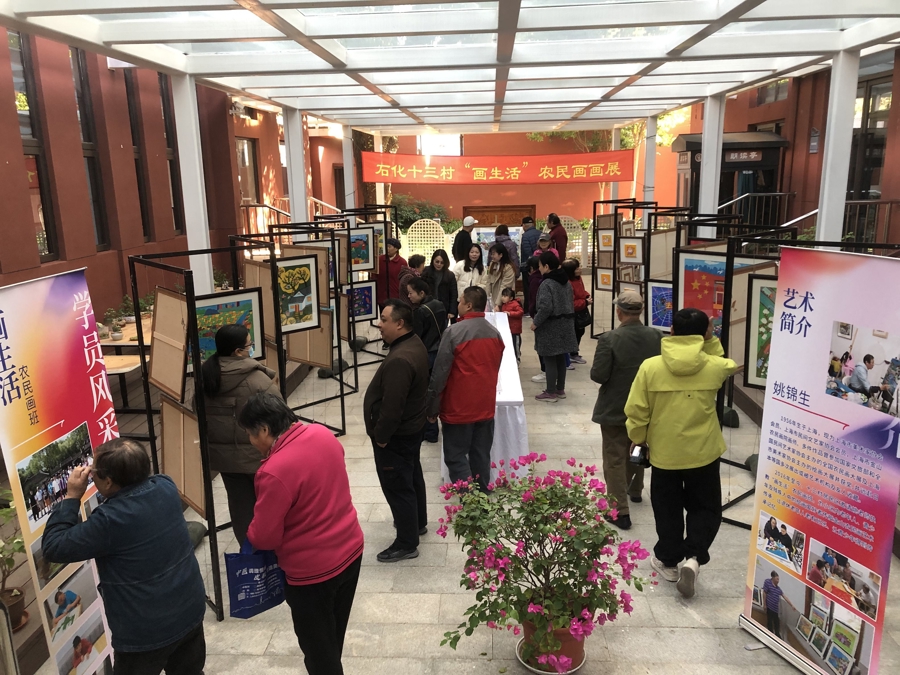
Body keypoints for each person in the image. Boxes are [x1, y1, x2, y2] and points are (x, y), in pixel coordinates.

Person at [42, 438, 206, 674]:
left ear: (108, 481)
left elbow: (54, 546)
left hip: (146, 632)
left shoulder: (110, 520)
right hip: (189, 609)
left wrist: (72, 497)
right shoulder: (166, 486)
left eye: (94, 471)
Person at [242, 393, 363, 675]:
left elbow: (265, 537)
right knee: (333, 637)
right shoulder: (322, 434)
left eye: (250, 433)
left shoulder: (274, 471)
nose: (250, 441)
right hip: (351, 549)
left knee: (319, 652)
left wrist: (251, 528)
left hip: (312, 573)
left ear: (264, 430)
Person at [625, 307, 739, 599]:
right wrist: (709, 340)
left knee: (667, 507)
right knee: (706, 507)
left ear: (671, 331)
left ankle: (668, 561)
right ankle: (694, 557)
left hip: (665, 452)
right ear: (705, 333)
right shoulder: (715, 367)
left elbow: (636, 410)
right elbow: (727, 363)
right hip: (704, 452)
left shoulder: (650, 367)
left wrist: (639, 439)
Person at [199, 324, 281, 545]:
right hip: (258, 457)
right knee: (269, 507)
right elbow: (281, 414)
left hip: (225, 461)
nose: (251, 348)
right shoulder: (257, 380)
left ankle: (249, 552)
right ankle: (272, 552)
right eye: (249, 345)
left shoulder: (206, 376)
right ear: (237, 351)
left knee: (241, 508)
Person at [364, 300, 431, 562]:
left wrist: (381, 437)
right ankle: (417, 523)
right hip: (411, 429)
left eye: (384, 319)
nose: (379, 325)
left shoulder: (400, 359)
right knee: (411, 477)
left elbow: (392, 407)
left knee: (398, 487)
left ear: (400, 323)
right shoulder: (414, 343)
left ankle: (406, 542)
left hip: (397, 436)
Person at [590, 290, 663, 530]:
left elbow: (599, 375)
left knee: (614, 458)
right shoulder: (657, 336)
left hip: (615, 405)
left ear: (618, 311)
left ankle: (619, 511)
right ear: (641, 311)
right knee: (637, 445)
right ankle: (635, 489)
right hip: (646, 405)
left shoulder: (609, 339)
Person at [426, 286, 505, 492]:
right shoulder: (495, 333)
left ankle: (469, 502)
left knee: (456, 456)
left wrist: (432, 408)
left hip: (458, 407)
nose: (458, 304)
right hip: (485, 405)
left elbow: (440, 374)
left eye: (460, 301)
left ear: (469, 305)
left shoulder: (453, 332)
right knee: (481, 455)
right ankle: (483, 496)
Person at [532, 252, 577, 402]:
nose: (539, 269)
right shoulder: (566, 281)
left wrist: (536, 322)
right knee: (561, 357)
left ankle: (550, 392)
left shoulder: (547, 284)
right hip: (566, 324)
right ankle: (560, 389)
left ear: (546, 266)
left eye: (540, 266)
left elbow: (545, 307)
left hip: (551, 325)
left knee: (550, 358)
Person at [562, 258, 591, 365]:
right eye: (577, 268)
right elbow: (571, 303)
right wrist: (585, 302)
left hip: (581, 311)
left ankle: (573, 352)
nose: (580, 269)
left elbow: (581, 291)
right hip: (572, 314)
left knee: (580, 331)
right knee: (573, 333)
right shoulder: (567, 283)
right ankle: (572, 354)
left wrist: (586, 296)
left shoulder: (578, 279)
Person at [421, 249, 457, 322]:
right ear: (433, 260)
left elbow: (453, 294)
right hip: (427, 307)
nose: (439, 264)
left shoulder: (450, 275)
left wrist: (452, 311)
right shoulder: (426, 272)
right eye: (437, 262)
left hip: (443, 308)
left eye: (442, 262)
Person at [482, 243, 517, 310]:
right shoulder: (492, 264)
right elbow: (488, 281)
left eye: (493, 254)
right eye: (491, 254)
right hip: (493, 299)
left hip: (504, 300)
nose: (492, 256)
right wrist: (487, 299)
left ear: (501, 255)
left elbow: (504, 286)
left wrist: (498, 304)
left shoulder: (509, 267)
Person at [376, 238, 407, 308]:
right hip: (381, 296)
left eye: (389, 247)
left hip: (396, 296)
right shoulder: (380, 260)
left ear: (396, 249)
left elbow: (404, 280)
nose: (387, 249)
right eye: (386, 246)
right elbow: (374, 276)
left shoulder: (402, 262)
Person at [520, 216, 540, 311]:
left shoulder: (525, 236)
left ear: (524, 225)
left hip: (529, 267)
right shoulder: (540, 233)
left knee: (528, 288)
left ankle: (528, 308)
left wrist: (527, 266)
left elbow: (527, 252)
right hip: (541, 266)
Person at [498, 288, 524, 363]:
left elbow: (520, 312)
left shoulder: (515, 304)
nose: (503, 298)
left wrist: (510, 313)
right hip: (508, 329)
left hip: (515, 330)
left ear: (511, 298)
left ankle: (517, 359)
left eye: (505, 296)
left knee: (516, 345)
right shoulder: (503, 305)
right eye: (502, 296)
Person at [763, 571, 785, 637]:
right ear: (773, 578)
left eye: (778, 579)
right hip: (769, 607)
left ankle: (777, 635)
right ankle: (770, 635)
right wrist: (764, 604)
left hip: (775, 609)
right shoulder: (767, 582)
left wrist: (792, 605)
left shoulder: (778, 589)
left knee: (776, 623)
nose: (778, 581)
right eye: (777, 579)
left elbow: (784, 596)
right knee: (770, 621)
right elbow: (764, 592)